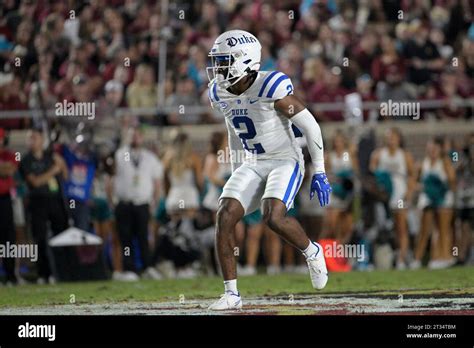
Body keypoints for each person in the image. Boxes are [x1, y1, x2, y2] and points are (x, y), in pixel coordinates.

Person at [206, 30, 331, 310]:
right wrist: (237, 170)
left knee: (272, 216)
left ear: (245, 60)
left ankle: (312, 252)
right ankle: (232, 295)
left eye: (224, 61)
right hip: (253, 161)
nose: (218, 68)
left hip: (285, 159)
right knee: (224, 215)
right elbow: (233, 132)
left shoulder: (269, 86)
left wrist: (319, 171)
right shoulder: (220, 91)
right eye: (217, 61)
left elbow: (310, 125)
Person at [19, 128, 69, 284]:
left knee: (61, 234)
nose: (31, 141)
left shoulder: (50, 157)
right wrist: (54, 170)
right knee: (39, 237)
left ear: (42, 140)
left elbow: (65, 175)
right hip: (37, 201)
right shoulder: (26, 160)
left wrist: (62, 163)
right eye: (29, 138)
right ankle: (44, 273)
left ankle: (63, 271)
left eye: (34, 137)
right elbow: (35, 182)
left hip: (55, 200)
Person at [113, 127, 163, 280]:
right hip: (124, 202)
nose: (135, 138)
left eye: (137, 135)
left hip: (142, 202)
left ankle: (147, 267)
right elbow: (111, 178)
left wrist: (155, 201)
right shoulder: (120, 155)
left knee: (143, 237)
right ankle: (129, 269)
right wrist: (112, 201)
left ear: (142, 137)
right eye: (132, 135)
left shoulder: (150, 157)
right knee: (125, 237)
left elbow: (157, 182)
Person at [370, 128, 416, 270]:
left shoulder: (405, 155)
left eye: (393, 137)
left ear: (399, 139)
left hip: (400, 193)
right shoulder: (379, 154)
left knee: (401, 227)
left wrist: (409, 192)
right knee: (389, 228)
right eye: (388, 137)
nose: (390, 140)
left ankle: (401, 259)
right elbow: (372, 174)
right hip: (385, 196)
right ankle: (397, 254)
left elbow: (413, 175)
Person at [411, 137, 456, 269]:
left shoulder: (445, 162)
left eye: (434, 149)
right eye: (429, 149)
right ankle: (417, 259)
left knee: (443, 229)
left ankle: (445, 257)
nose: (432, 151)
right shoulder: (422, 163)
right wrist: (419, 186)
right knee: (424, 229)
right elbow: (413, 182)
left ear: (440, 149)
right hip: (427, 199)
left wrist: (440, 185)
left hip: (443, 198)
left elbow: (452, 180)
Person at [0, 128, 18, 285]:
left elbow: (10, 169)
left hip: (5, 199)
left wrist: (4, 169)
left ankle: (11, 275)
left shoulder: (10, 155)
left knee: (8, 239)